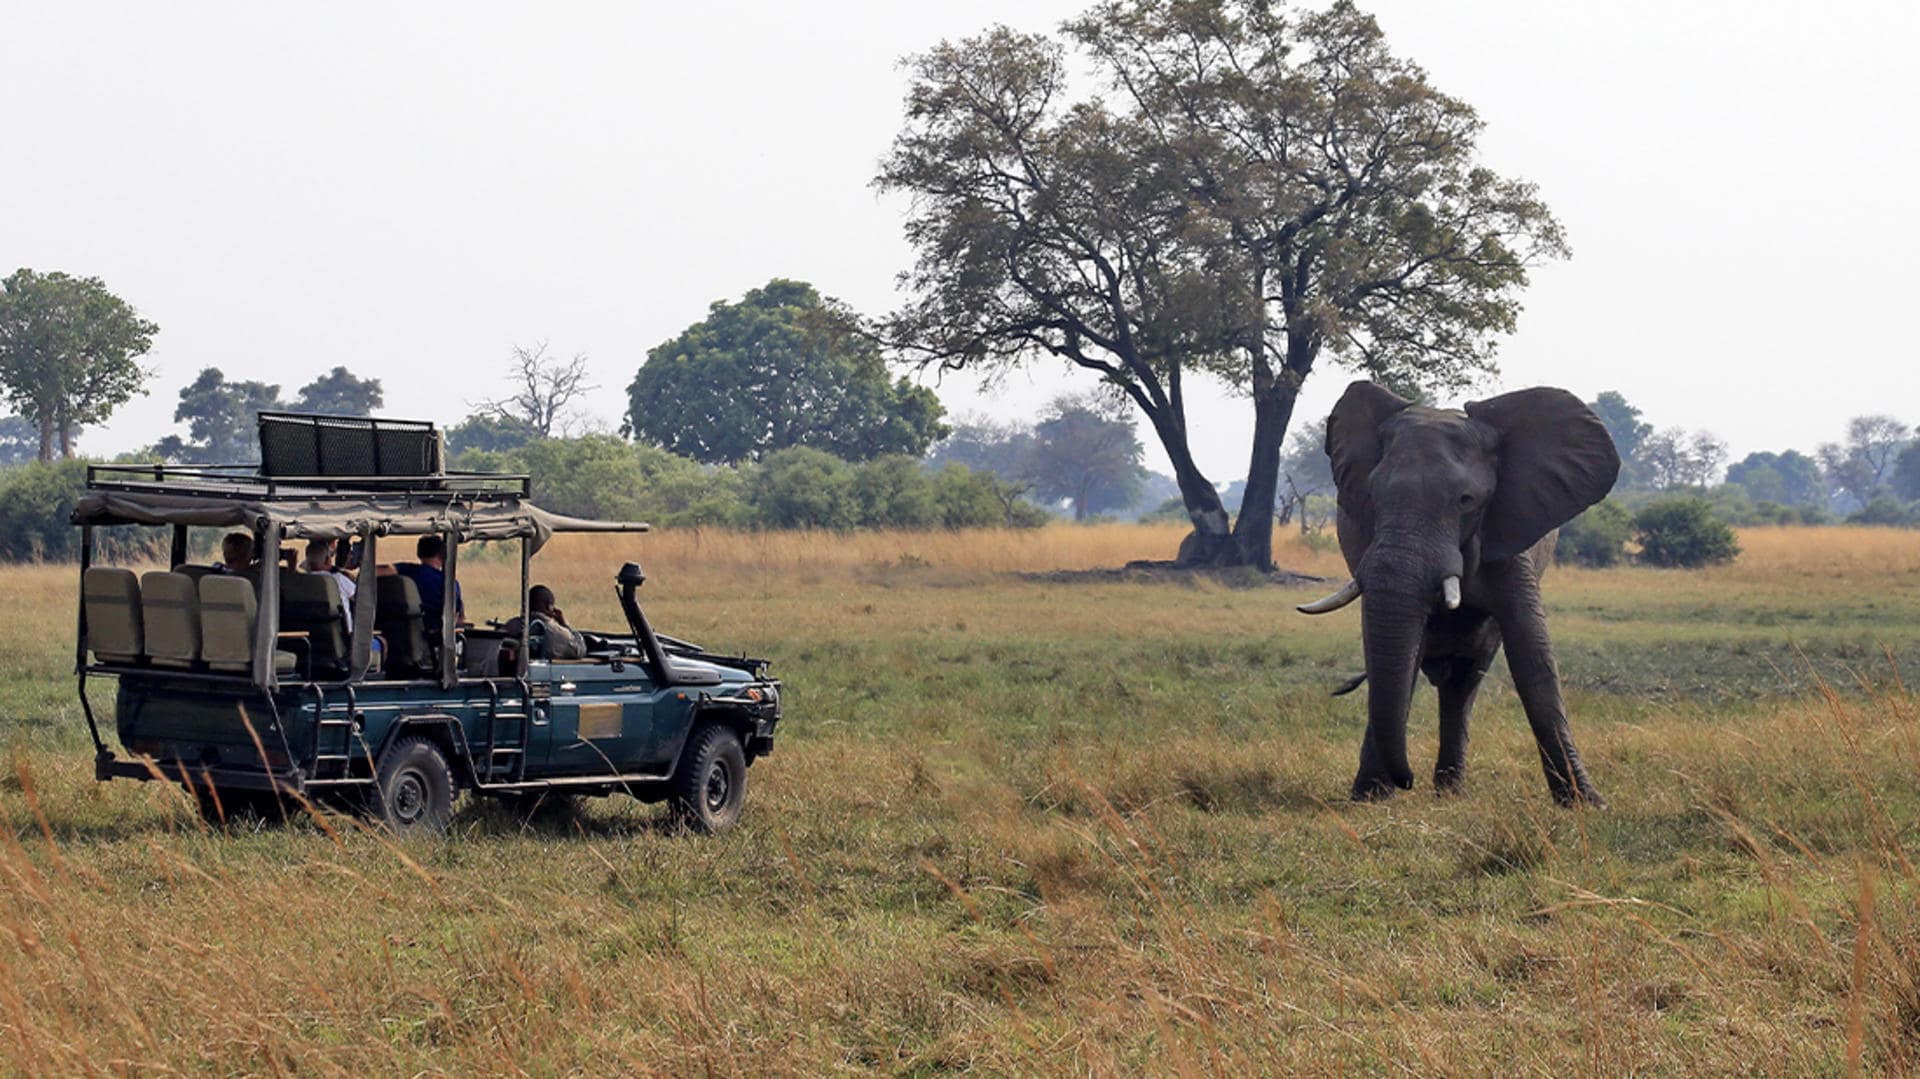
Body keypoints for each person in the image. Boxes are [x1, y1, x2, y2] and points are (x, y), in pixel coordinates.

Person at [379, 535, 463, 622]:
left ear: (419, 553)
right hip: (438, 631)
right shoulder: (449, 582)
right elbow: (458, 615)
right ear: (443, 555)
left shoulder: (408, 570)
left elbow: (385, 569)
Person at [504, 585, 586, 659]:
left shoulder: (510, 626)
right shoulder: (558, 632)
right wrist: (565, 625)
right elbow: (579, 650)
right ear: (550, 607)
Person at [303, 538, 358, 631]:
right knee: (382, 641)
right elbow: (360, 598)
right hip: (345, 637)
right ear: (327, 560)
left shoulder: (302, 581)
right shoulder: (337, 579)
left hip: (314, 634)